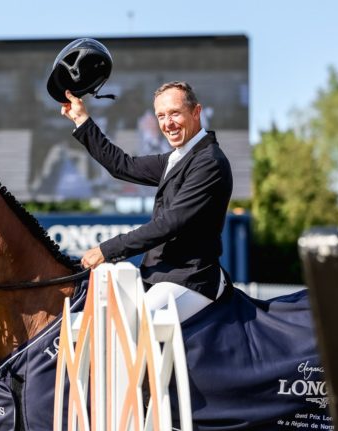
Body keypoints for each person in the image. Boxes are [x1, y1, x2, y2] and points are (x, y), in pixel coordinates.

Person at [60, 81, 233, 321]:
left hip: (191, 280)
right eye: (161, 116)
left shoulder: (209, 162)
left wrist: (106, 250)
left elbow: (168, 224)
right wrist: (81, 120)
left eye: (174, 113)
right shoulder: (177, 157)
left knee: (129, 329)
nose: (167, 123)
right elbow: (122, 166)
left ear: (196, 112)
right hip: (158, 277)